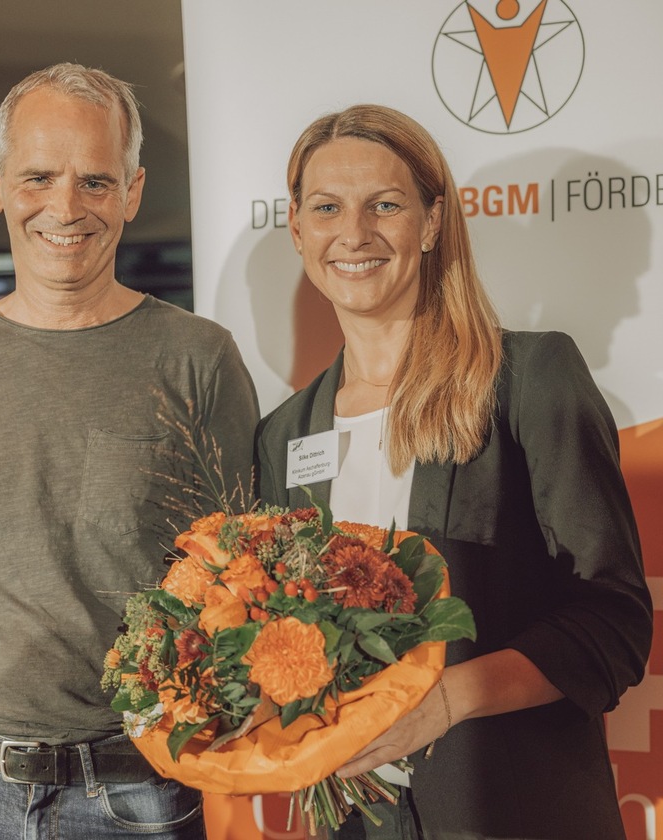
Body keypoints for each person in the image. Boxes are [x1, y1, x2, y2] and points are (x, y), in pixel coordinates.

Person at [255, 104, 652, 839]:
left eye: (386, 205)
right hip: (357, 823)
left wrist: (448, 698)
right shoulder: (284, 436)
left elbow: (614, 624)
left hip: (517, 816)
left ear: (432, 223)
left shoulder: (531, 380)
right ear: (298, 229)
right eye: (328, 208)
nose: (354, 233)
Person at [0, 63, 259, 839]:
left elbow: (234, 572)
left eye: (95, 181)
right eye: (38, 176)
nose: (65, 206)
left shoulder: (198, 358)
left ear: (133, 191)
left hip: (138, 787)